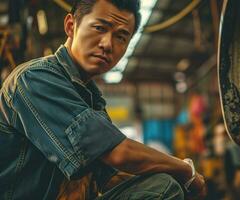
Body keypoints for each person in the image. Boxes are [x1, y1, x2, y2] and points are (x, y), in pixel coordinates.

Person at [0, 0, 206, 199]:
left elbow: (109, 177)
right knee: (164, 188)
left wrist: (177, 178)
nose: (107, 44)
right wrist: (185, 170)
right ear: (71, 26)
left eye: (121, 37)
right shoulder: (35, 79)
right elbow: (118, 153)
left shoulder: (91, 99)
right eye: (99, 28)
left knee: (160, 185)